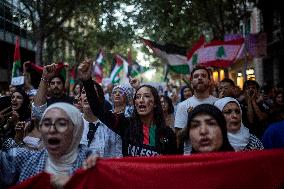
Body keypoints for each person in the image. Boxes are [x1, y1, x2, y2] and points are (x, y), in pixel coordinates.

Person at [78, 59, 177, 157]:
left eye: (146, 96)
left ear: (155, 103)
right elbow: (99, 111)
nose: (141, 100)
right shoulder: (126, 125)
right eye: (137, 97)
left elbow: (173, 166)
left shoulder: (167, 134)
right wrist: (87, 82)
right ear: (135, 103)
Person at [0, 103, 90, 187]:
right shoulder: (28, 159)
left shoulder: (89, 161)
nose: (52, 130)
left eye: (61, 124)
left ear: (75, 130)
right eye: (47, 124)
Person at [79, 82, 122, 157]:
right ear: (80, 99)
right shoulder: (72, 123)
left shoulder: (111, 126)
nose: (87, 95)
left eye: (92, 92)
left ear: (100, 99)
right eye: (83, 92)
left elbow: (117, 158)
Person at [174, 66, 218, 132]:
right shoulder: (182, 106)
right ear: (191, 82)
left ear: (209, 81)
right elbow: (178, 137)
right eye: (196, 76)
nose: (200, 78)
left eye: (203, 76)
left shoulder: (219, 103)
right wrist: (190, 119)